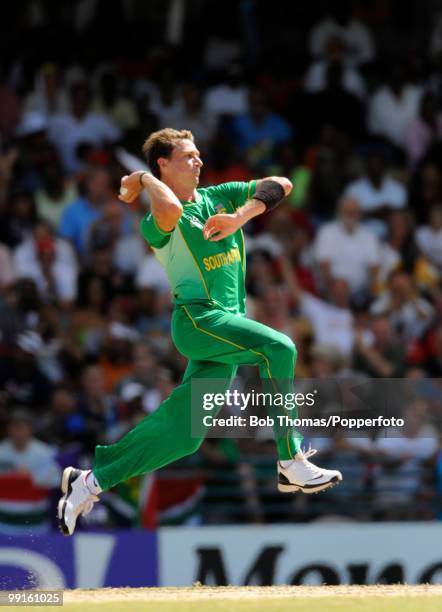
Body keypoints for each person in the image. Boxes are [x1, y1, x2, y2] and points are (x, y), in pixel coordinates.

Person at [57, 128, 342, 536]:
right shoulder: (156, 221)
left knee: (184, 435)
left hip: (226, 329)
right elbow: (170, 210)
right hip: (199, 320)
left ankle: (89, 482)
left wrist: (239, 217)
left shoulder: (218, 198)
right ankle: (290, 460)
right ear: (163, 164)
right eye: (188, 157)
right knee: (280, 348)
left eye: (198, 155)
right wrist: (143, 180)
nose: (198, 162)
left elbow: (282, 184)